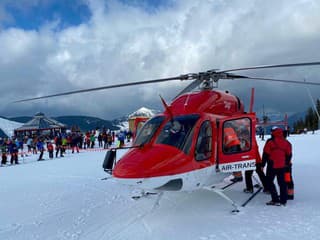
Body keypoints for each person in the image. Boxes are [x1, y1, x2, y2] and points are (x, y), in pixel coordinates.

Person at [262, 127, 292, 206]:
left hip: (272, 165)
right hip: (282, 165)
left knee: (269, 181)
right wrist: (287, 163)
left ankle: (275, 199)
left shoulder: (271, 142)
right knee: (282, 183)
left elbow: (265, 154)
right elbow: (289, 155)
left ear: (273, 133)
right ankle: (283, 201)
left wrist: (262, 165)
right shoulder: (287, 143)